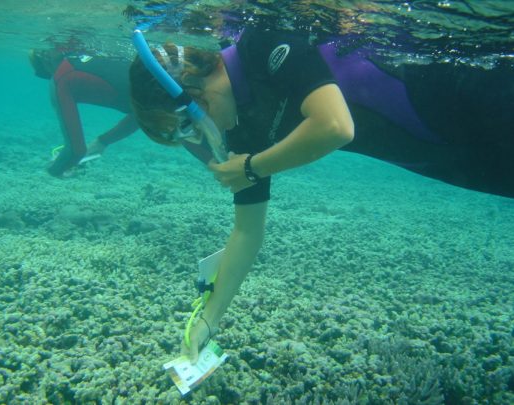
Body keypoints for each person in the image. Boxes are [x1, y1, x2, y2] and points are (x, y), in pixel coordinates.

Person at [129, 29, 513, 362]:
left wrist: (252, 168)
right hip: (444, 157)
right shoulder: (244, 131)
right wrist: (207, 322)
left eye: (186, 124)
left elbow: (335, 125)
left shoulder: (262, 43)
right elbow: (247, 233)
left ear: (191, 83)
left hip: (471, 99)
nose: (200, 135)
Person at [29, 48, 139, 177]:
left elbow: (76, 151)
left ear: (46, 64)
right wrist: (102, 141)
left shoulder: (60, 80)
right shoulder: (95, 55)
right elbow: (145, 111)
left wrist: (54, 171)